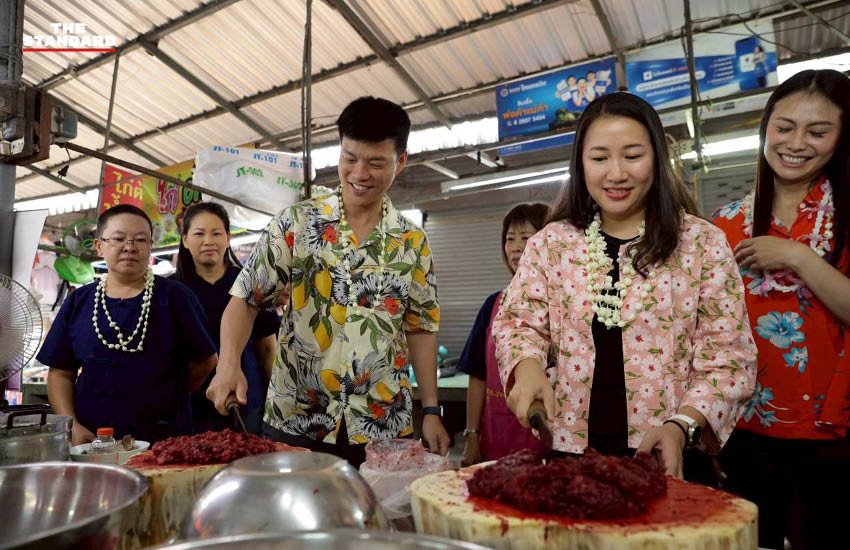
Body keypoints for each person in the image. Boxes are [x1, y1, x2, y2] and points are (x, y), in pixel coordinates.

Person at [492, 92, 757, 478]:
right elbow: (519, 322)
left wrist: (682, 426)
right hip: (572, 456)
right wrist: (528, 367)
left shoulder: (702, 243)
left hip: (669, 457)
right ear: (581, 163)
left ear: (657, 159)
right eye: (599, 158)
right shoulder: (551, 244)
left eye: (632, 156)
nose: (616, 173)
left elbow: (729, 358)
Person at [206, 96, 450, 467]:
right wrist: (228, 365)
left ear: (400, 162)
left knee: (374, 520)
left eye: (375, 162)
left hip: (382, 423)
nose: (359, 173)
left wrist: (431, 408)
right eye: (349, 158)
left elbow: (420, 328)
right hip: (297, 416)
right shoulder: (296, 224)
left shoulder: (412, 241)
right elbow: (246, 299)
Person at [712, 69, 850, 550]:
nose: (797, 143)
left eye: (818, 131)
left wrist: (797, 256)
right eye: (784, 126)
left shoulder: (846, 218)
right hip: (744, 429)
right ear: (765, 128)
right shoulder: (725, 224)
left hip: (835, 435)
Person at [38, 204, 218, 444]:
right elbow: (60, 373)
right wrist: (72, 426)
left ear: (150, 246)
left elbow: (207, 358)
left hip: (163, 439)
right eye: (119, 238)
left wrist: (171, 397)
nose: (130, 247)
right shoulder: (79, 301)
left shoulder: (175, 297)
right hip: (92, 439)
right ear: (99, 246)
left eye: (141, 240)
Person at [173, 202, 279, 434]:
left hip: (247, 398)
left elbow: (268, 350)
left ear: (228, 238)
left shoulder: (249, 284)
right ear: (185, 240)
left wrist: (276, 403)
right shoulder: (171, 290)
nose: (208, 241)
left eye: (216, 233)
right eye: (199, 233)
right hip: (190, 404)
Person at [459, 202, 550, 467]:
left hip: (550, 438)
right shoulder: (493, 304)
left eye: (526, 237)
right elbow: (478, 375)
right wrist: (472, 437)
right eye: (510, 239)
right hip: (497, 438)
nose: (516, 247)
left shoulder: (564, 305)